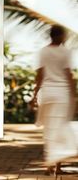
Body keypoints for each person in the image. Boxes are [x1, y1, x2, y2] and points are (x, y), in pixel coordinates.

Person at [31, 24, 77, 175]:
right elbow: (69, 75)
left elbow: (40, 75)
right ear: (60, 36)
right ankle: (57, 167)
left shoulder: (43, 51)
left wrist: (34, 94)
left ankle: (48, 166)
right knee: (59, 128)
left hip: (47, 93)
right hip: (61, 94)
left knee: (49, 128)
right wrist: (74, 95)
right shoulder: (65, 52)